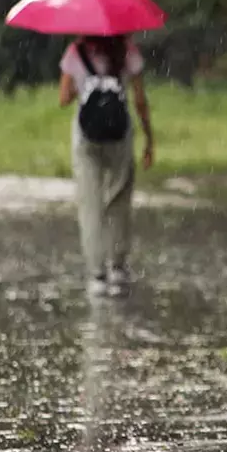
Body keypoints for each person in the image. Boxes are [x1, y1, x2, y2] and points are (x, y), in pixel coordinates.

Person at [59, 35, 155, 298]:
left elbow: (64, 98)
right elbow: (140, 101)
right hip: (119, 134)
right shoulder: (127, 51)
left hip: (86, 136)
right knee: (119, 198)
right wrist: (149, 139)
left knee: (90, 204)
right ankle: (118, 266)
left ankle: (97, 274)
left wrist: (86, 84)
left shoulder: (75, 53)